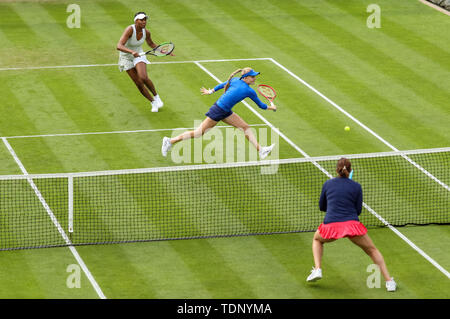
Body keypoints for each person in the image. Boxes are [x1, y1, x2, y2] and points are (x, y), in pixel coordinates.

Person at [307, 157, 397, 292]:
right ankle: (389, 282)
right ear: (350, 170)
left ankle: (318, 269)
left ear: (336, 170)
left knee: (317, 239)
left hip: (331, 226)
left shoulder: (327, 184)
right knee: (372, 250)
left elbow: (322, 206)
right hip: (351, 226)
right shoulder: (356, 186)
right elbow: (358, 210)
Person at [161, 67, 277, 159]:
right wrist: (272, 107)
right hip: (218, 111)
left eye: (254, 77)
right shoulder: (249, 91)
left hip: (225, 110)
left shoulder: (235, 80)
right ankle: (169, 141)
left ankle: (261, 151)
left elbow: (223, 85)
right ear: (245, 78)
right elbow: (261, 106)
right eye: (252, 77)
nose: (254, 79)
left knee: (245, 127)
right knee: (198, 133)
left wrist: (210, 91)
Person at [116, 12, 166, 112]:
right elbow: (119, 46)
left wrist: (163, 51)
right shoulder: (129, 30)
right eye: (141, 20)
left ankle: (156, 96)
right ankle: (153, 102)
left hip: (139, 55)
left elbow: (151, 43)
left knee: (143, 77)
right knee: (138, 83)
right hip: (126, 57)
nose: (144, 22)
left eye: (145, 20)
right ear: (136, 21)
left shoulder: (146, 32)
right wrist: (131, 52)